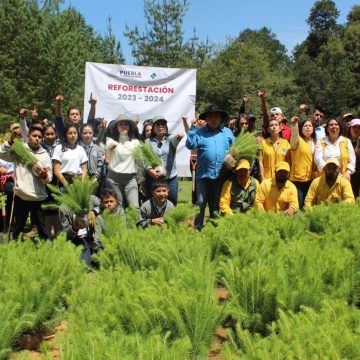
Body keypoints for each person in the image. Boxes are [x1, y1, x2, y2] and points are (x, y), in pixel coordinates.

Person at [186, 104, 234, 230]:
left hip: (221, 175)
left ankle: (214, 229)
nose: (213, 119)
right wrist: (192, 127)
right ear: (206, 118)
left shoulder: (227, 132)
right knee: (200, 203)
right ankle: (197, 228)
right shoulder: (199, 132)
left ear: (220, 119)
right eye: (210, 116)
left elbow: (235, 149)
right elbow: (190, 145)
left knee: (215, 204)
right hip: (203, 175)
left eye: (216, 117)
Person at [0, 126, 52, 239]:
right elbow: (2, 154)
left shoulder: (45, 155)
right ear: (28, 136)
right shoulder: (20, 151)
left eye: (39, 137)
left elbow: (49, 178)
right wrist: (10, 140)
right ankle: (15, 250)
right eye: (34, 136)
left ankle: (46, 252)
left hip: (39, 198)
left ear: (42, 139)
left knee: (43, 230)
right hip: (22, 196)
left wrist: (44, 175)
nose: (37, 138)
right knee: (18, 228)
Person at [146, 116, 184, 206]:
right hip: (156, 178)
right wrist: (150, 170)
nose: (161, 126)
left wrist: (179, 138)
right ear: (153, 128)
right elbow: (146, 160)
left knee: (173, 200)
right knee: (157, 202)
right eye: (158, 125)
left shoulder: (170, 139)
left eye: (163, 124)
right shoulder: (148, 142)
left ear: (166, 127)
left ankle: (171, 219)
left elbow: (176, 140)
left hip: (171, 177)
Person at [105, 115, 142, 209]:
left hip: (131, 178)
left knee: (134, 207)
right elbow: (107, 157)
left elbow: (140, 162)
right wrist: (110, 149)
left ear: (129, 127)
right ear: (116, 127)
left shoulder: (136, 142)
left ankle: (134, 224)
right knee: (118, 206)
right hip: (113, 179)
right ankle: (120, 224)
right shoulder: (110, 141)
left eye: (126, 124)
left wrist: (141, 180)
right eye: (120, 124)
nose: (123, 126)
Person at [289, 107, 317, 208]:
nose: (308, 127)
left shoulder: (316, 142)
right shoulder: (297, 141)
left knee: (309, 205)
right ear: (301, 128)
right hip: (298, 180)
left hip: (312, 179)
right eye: (305, 126)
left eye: (310, 126)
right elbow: (294, 132)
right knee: (297, 206)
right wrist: (298, 114)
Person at [347, 118, 360, 198]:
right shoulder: (345, 141)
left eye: (359, 127)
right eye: (354, 127)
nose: (356, 129)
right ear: (350, 128)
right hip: (349, 172)